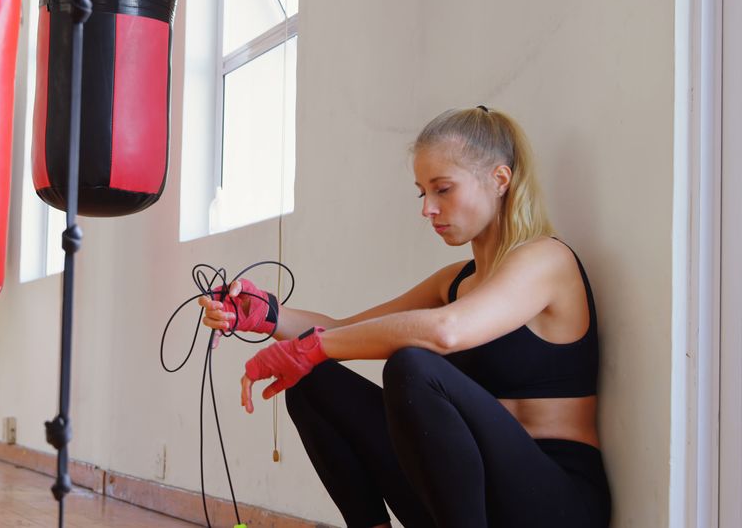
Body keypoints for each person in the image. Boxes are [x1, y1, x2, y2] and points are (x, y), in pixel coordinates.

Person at [199, 106, 611, 528]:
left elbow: (446, 332)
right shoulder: (454, 282)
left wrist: (312, 347)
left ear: (499, 180)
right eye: (422, 193)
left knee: (413, 367)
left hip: (555, 504)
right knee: (314, 382)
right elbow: (346, 331)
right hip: (469, 502)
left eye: (443, 189)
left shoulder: (545, 260)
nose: (428, 209)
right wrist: (268, 315)